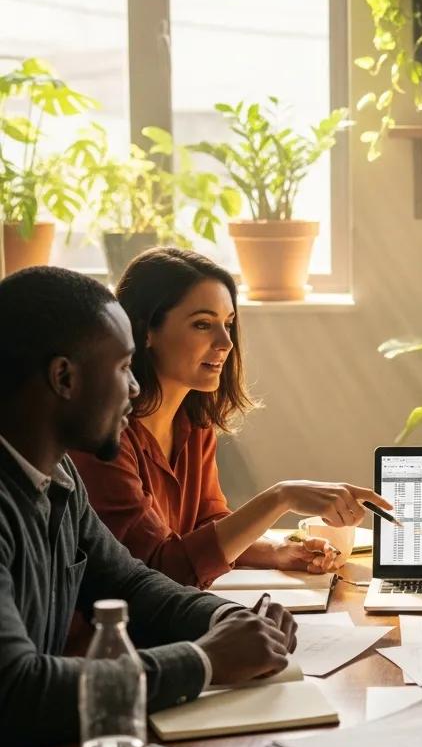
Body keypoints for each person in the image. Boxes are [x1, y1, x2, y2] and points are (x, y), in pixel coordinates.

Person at [0, 266, 299, 747]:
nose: (136, 389)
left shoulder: (61, 476)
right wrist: (206, 660)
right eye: (123, 368)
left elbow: (131, 583)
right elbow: (18, 689)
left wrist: (227, 618)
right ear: (64, 378)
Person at [71, 248, 392, 588]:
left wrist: (277, 550)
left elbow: (208, 525)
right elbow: (161, 571)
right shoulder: (104, 439)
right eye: (202, 324)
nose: (225, 342)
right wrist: (281, 497)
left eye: (227, 324)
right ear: (145, 330)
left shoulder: (194, 424)